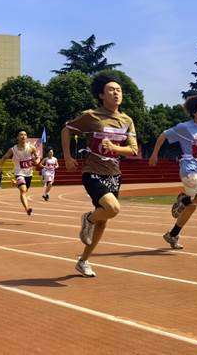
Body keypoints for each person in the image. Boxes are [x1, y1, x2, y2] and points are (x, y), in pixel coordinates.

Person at [61, 71, 137, 277]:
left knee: (103, 221)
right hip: (93, 171)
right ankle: (88, 219)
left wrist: (114, 147)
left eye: (119, 90)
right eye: (111, 90)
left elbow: (133, 150)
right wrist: (67, 157)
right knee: (113, 208)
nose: (116, 93)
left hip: (114, 174)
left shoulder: (127, 120)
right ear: (101, 95)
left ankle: (83, 260)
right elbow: (66, 130)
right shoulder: (91, 116)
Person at [149, 95, 197, 250]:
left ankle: (172, 234)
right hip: (188, 169)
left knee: (192, 207)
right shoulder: (184, 127)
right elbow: (163, 135)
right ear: (194, 112)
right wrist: (154, 154)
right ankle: (184, 200)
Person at [0, 130, 40, 216]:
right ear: (17, 137)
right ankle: (27, 208)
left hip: (29, 173)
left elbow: (37, 157)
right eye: (21, 135)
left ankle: (16, 184)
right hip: (19, 172)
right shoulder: (13, 150)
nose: (23, 136)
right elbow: (4, 157)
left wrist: (37, 161)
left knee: (25, 191)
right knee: (23, 190)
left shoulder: (31, 148)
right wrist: (0, 167)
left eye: (25, 135)